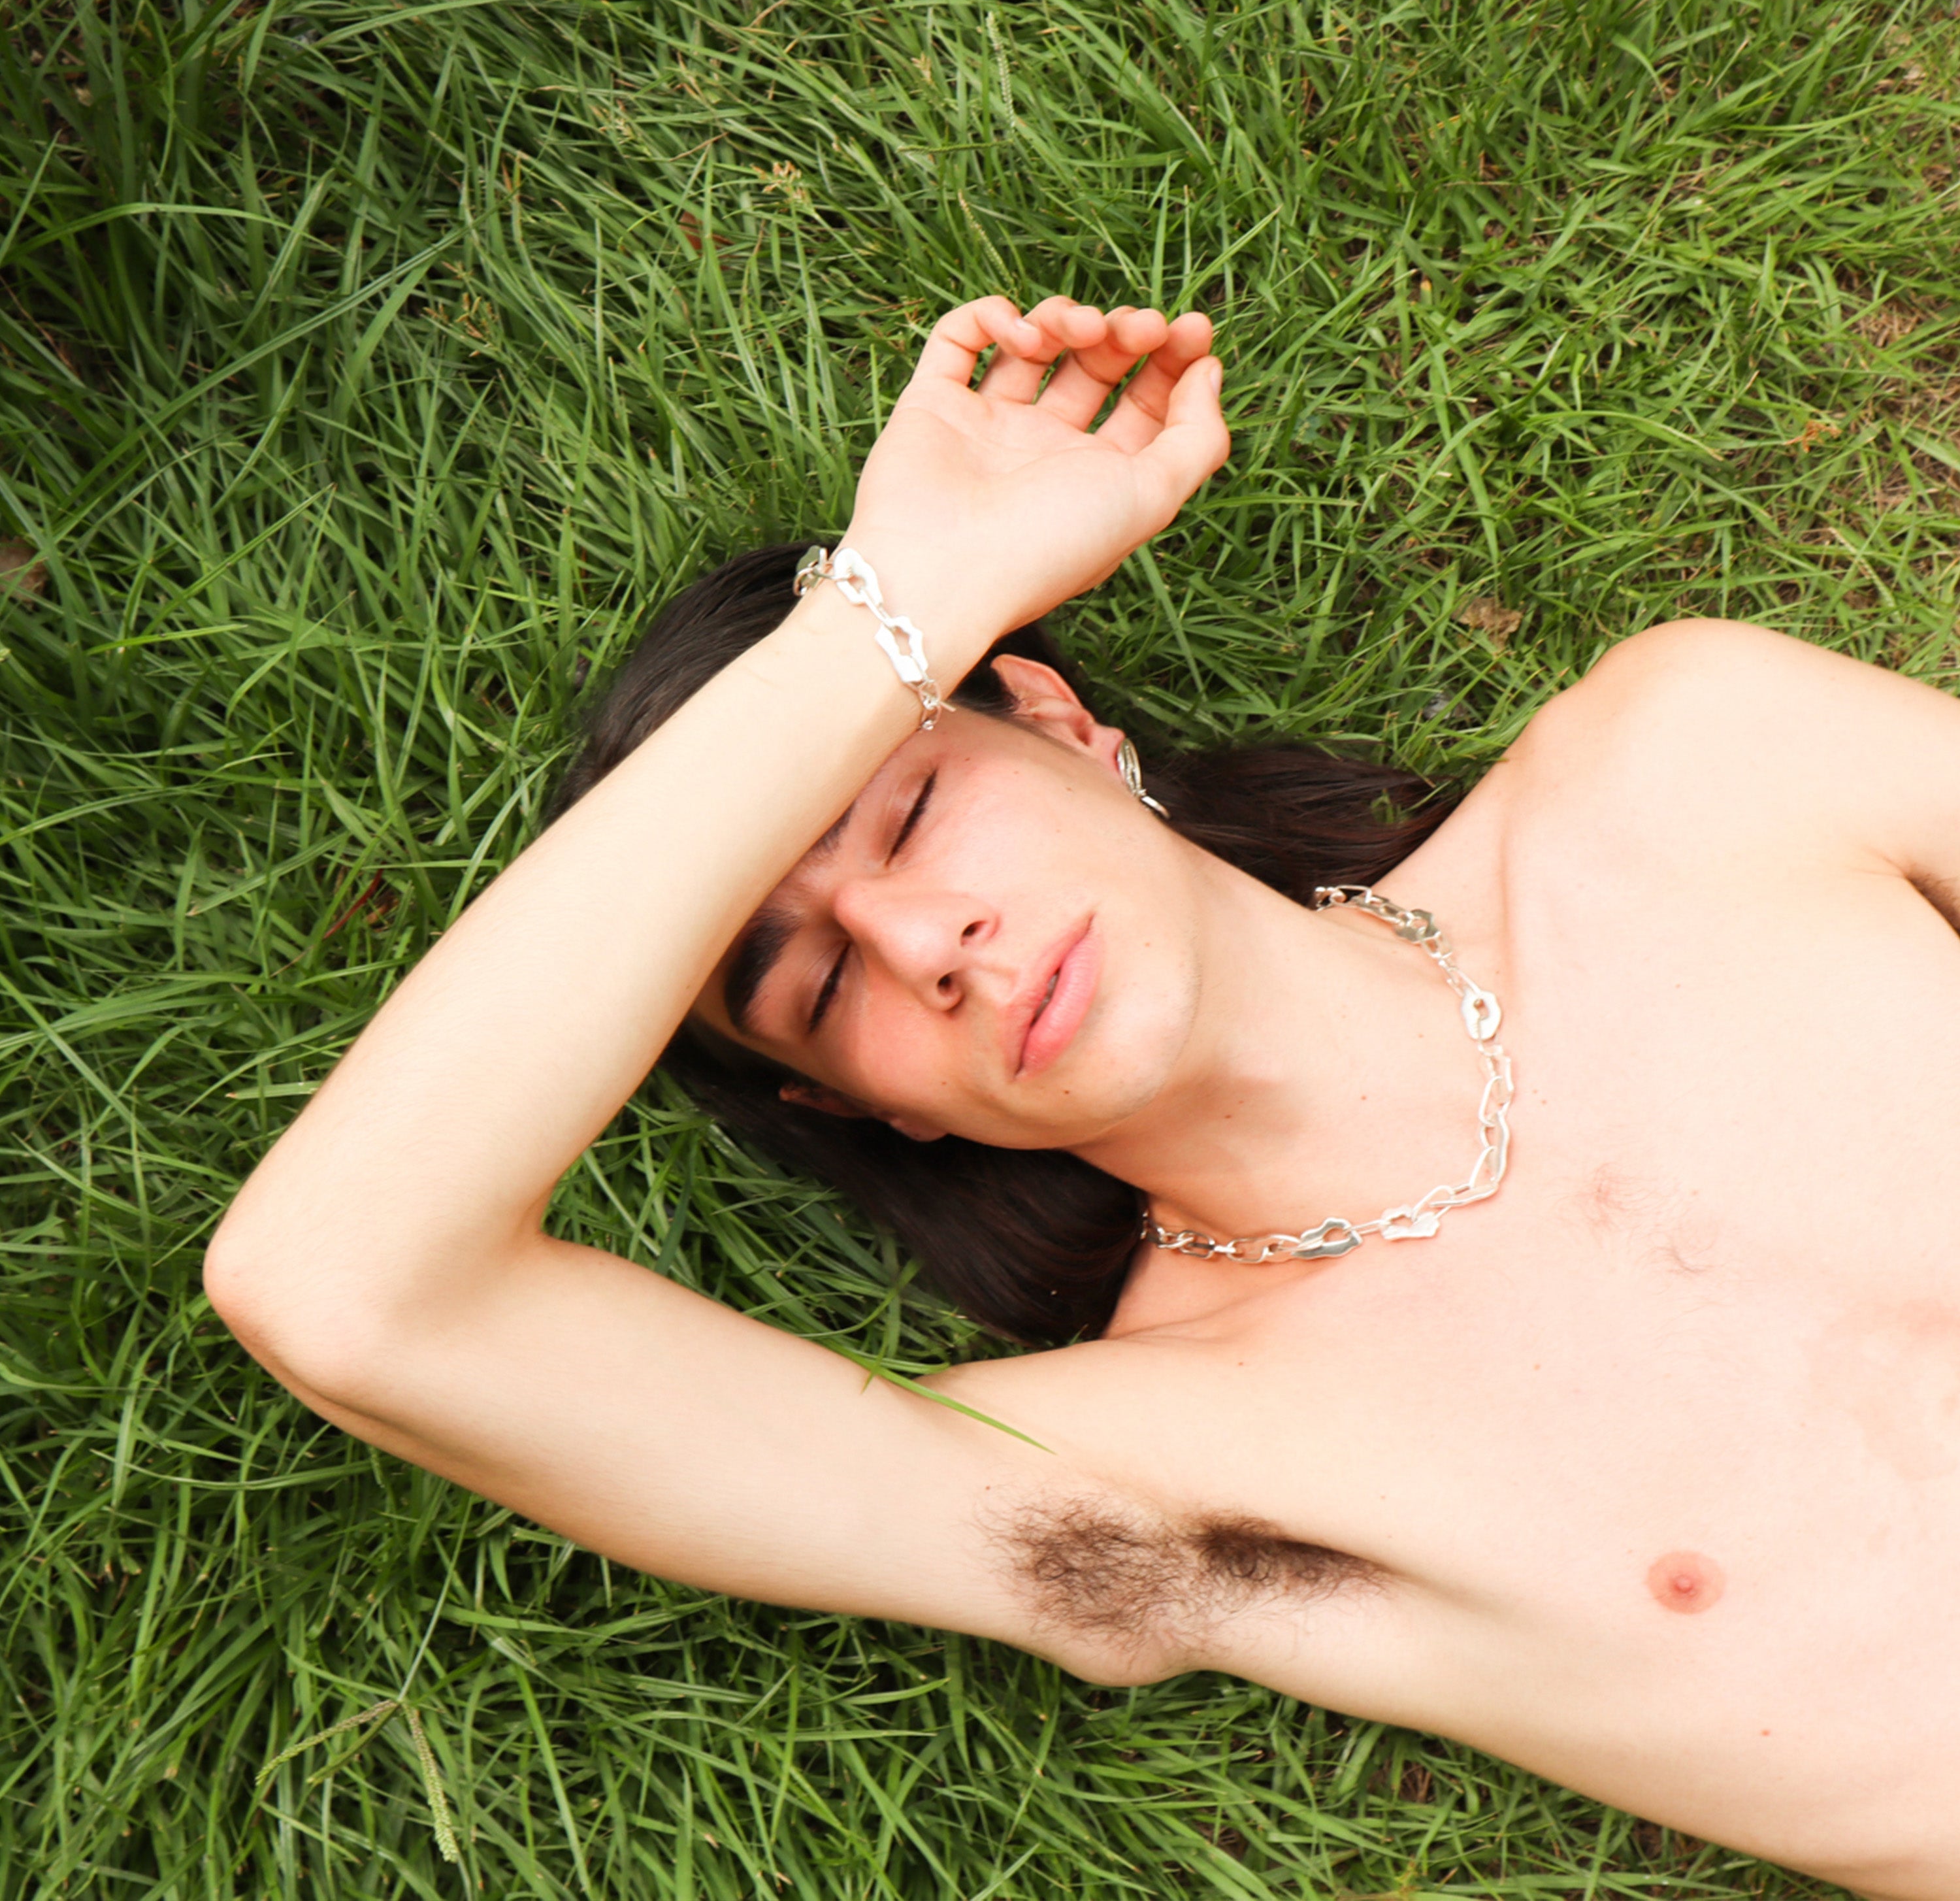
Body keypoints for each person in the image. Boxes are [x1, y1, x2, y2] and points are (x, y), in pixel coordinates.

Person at [204, 295, 1960, 1901]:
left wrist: (919, 626)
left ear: (1058, 723)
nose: (923, 944)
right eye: (819, 989)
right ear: (873, 1111)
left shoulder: (1696, 771)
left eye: (909, 814)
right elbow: (349, 1291)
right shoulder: (1167, 1466)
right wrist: (887, 613)